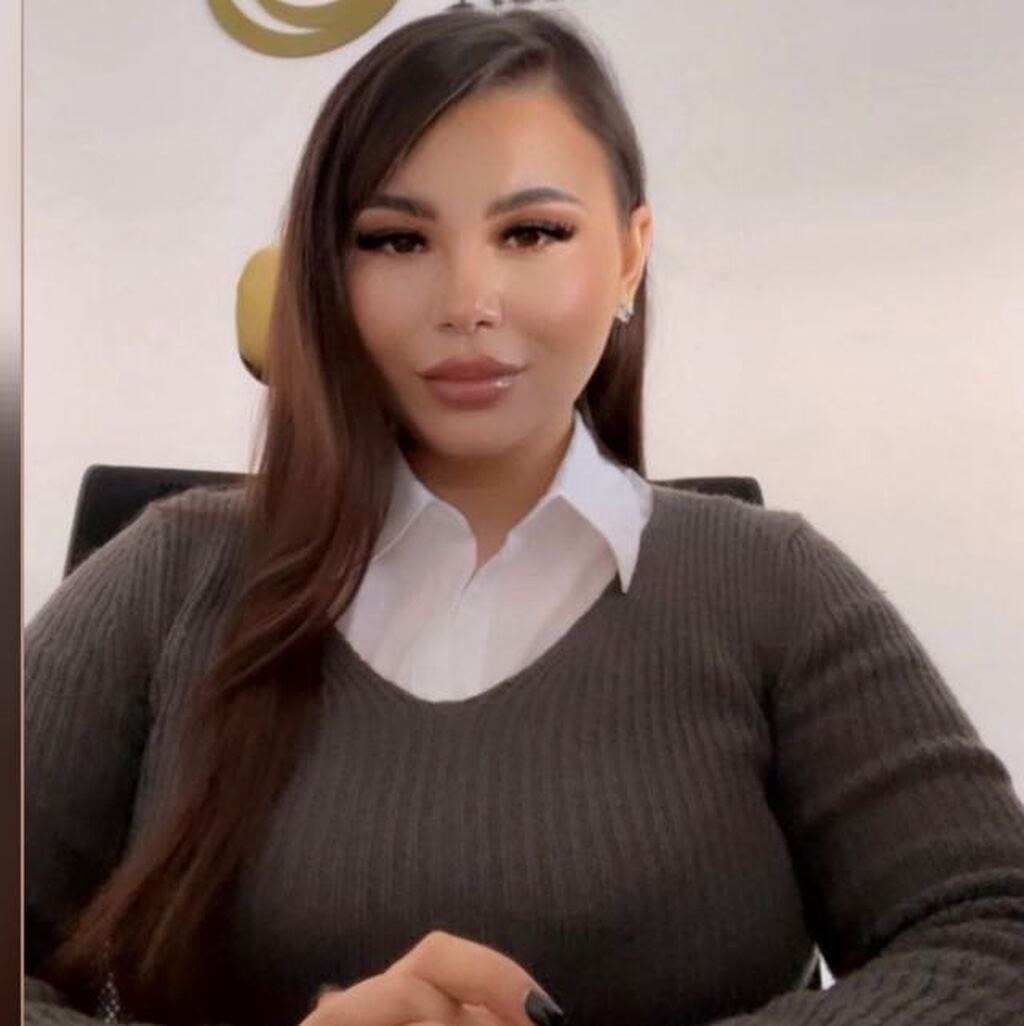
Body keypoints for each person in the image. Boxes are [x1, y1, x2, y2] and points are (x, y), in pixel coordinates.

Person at [24, 8, 1024, 1026]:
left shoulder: (774, 588)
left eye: (532, 233)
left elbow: (991, 942)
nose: (469, 300)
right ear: (328, 273)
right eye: (397, 239)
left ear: (629, 257)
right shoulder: (167, 577)